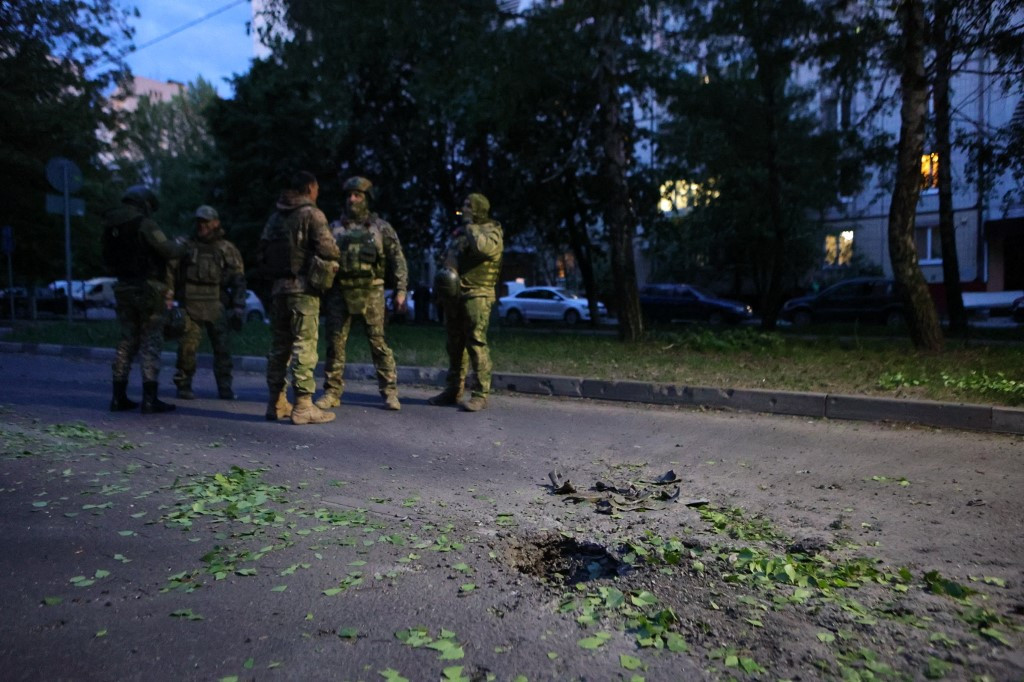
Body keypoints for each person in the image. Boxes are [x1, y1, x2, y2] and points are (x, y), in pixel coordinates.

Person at [316, 176, 408, 411]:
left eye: (357, 195)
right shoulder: (334, 228)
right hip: (340, 291)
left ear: (367, 199)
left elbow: (398, 259)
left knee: (378, 343)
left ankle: (389, 391)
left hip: (372, 292)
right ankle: (332, 392)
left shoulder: (381, 228)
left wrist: (400, 291)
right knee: (335, 344)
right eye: (349, 195)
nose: (352, 199)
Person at [256, 171, 340, 425]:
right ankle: (303, 406)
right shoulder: (312, 214)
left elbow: (261, 253)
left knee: (279, 348)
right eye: (316, 188)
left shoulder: (275, 217)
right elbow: (328, 248)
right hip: (303, 290)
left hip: (278, 291)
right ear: (309, 188)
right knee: (305, 345)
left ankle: (276, 402)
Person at [103, 184, 188, 414]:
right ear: (145, 204)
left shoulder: (112, 225)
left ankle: (117, 397)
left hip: (123, 287)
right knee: (151, 339)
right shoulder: (144, 223)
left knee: (127, 339)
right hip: (148, 287)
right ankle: (150, 399)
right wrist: (181, 244)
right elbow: (168, 250)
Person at [429, 193, 503, 412]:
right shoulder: (460, 233)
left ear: (480, 209)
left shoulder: (492, 231)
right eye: (463, 205)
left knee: (476, 343)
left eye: (468, 206)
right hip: (456, 295)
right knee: (454, 345)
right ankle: (453, 390)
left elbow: (482, 248)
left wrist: (470, 226)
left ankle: (480, 394)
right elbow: (448, 259)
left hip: (478, 294)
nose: (464, 209)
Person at [172, 205, 247, 401]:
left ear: (215, 223)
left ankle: (225, 387)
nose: (201, 225)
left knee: (222, 349)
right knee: (187, 348)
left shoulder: (226, 249)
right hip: (190, 303)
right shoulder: (185, 245)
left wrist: (238, 306)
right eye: (199, 221)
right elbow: (170, 272)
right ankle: (184, 385)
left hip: (216, 303)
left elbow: (239, 279)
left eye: (205, 221)